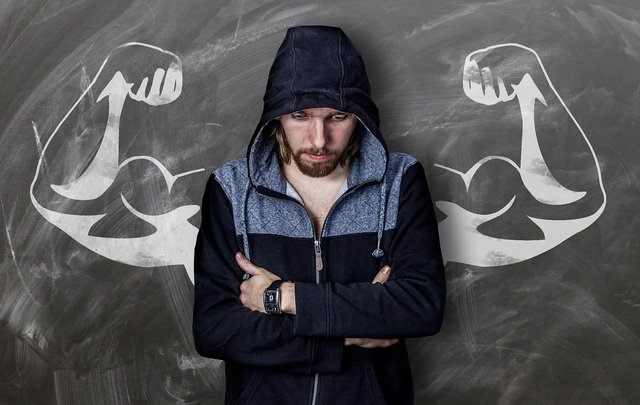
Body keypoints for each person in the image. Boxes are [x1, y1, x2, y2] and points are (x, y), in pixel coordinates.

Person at [193, 25, 446, 405]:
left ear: (359, 117)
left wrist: (285, 298)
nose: (318, 139)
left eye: (337, 117)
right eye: (299, 115)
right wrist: (346, 336)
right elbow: (215, 330)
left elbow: (420, 307)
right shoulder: (231, 188)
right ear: (276, 116)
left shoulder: (400, 181)